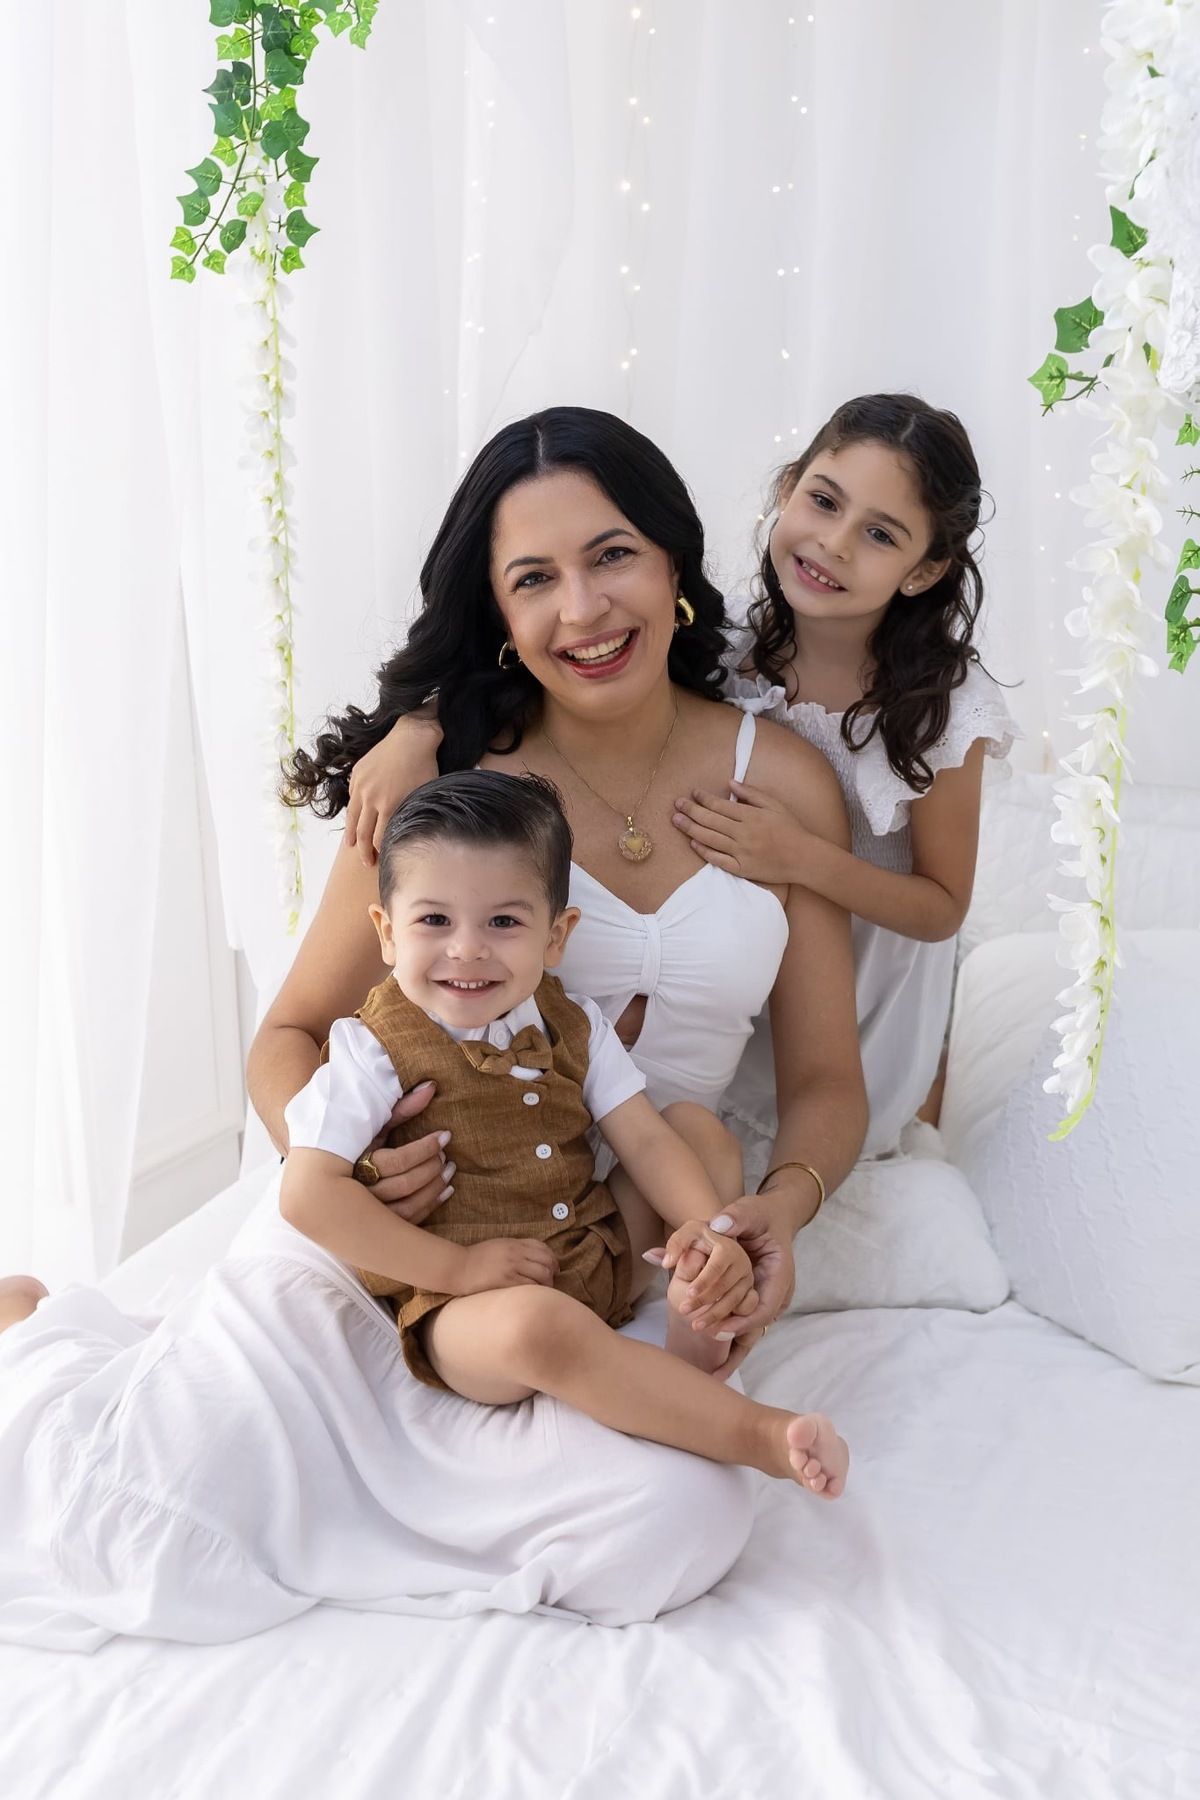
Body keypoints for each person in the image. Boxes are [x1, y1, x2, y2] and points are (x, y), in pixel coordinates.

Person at [0, 406, 864, 1649]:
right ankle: (46, 1344)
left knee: (679, 1527)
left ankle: (408, 1500)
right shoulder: (449, 793)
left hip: (604, 1263)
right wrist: (353, 1159)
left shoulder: (781, 782)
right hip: (392, 1246)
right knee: (133, 1525)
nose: (584, 609)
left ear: (674, 565)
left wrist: (771, 1213)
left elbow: (828, 1081)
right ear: (499, 615)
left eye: (612, 555)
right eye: (534, 580)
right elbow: (288, 1035)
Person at [282, 768, 848, 1492]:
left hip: (594, 1253)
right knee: (537, 1331)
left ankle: (689, 1331)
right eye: (434, 921)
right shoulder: (371, 1047)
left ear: (557, 936)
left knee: (699, 1135)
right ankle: (760, 1436)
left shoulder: (571, 1020)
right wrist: (456, 1271)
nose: (467, 949)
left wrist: (708, 1230)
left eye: (503, 922)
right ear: (386, 933)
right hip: (469, 1310)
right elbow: (306, 1196)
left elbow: (642, 1138)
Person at [675, 395, 1019, 1165]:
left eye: (879, 534)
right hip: (737, 983)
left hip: (864, 1011)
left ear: (924, 569)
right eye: (823, 501)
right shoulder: (720, 653)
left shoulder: (944, 708)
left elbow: (939, 910)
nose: (831, 544)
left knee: (821, 1140)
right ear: (786, 489)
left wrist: (801, 858)